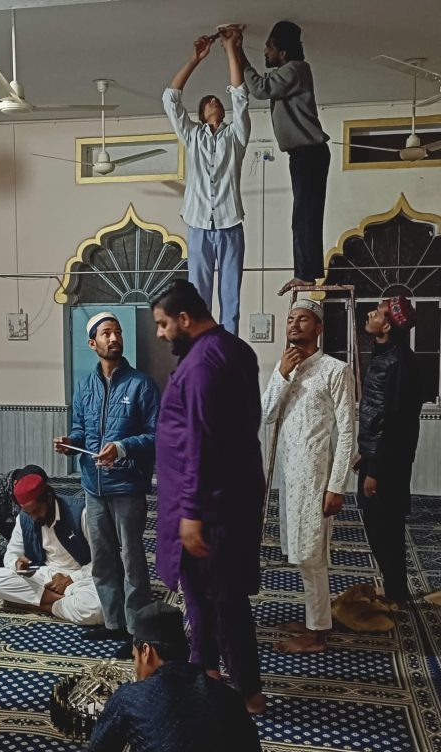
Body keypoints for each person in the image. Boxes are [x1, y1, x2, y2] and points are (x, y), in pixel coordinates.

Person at [151, 280, 266, 714]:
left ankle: (248, 692)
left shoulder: (201, 363)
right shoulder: (235, 350)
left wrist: (192, 512)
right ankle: (209, 675)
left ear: (184, 319)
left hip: (207, 504)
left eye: (164, 324)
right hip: (232, 496)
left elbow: (201, 441)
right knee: (206, 595)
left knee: (220, 598)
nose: (161, 334)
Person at [54, 312, 159, 649]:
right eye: (106, 333)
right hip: (93, 486)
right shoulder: (85, 386)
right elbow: (81, 432)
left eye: (117, 332)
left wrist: (122, 447)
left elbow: (156, 434)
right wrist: (69, 443)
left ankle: (138, 630)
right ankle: (114, 623)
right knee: (102, 558)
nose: (114, 338)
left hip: (127, 485)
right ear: (92, 343)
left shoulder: (141, 385)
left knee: (132, 558)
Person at [262, 299, 355, 653]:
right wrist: (282, 374)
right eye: (290, 319)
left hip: (317, 480)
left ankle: (317, 634)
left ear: (318, 328)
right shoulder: (285, 368)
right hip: (290, 479)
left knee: (313, 553)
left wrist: (337, 486)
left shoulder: (336, 370)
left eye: (303, 319)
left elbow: (346, 432)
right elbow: (266, 415)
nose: (294, 324)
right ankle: (316, 618)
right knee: (301, 551)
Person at [162, 29, 250, 334]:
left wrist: (230, 49)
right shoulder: (193, 136)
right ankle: (199, 346)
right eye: (208, 101)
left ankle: (227, 347)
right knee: (197, 295)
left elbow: (240, 97)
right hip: (198, 223)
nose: (214, 100)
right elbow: (170, 99)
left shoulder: (235, 136)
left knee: (231, 295)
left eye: (217, 99)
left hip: (230, 223)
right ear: (201, 114)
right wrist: (195, 59)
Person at [89, 602, 262, 752]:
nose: (135, 666)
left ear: (147, 652)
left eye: (135, 657)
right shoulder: (228, 696)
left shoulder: (130, 698)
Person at [237, 21, 330, 296]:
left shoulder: (296, 69)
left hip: (309, 153)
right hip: (304, 154)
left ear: (283, 51)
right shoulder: (290, 71)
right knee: (305, 215)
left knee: (304, 216)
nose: (265, 51)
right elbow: (263, 87)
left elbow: (260, 89)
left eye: (269, 46)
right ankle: (307, 272)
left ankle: (305, 273)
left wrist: (239, 52)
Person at [355, 296, 423, 604]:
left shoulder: (398, 362)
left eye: (378, 312)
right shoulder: (386, 356)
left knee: (385, 527)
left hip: (386, 463)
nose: (371, 313)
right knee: (380, 525)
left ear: (387, 326)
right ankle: (394, 588)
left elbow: (394, 423)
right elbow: (377, 413)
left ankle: (396, 592)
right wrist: (364, 451)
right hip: (378, 456)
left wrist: (375, 469)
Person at [0, 464, 103, 626]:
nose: (33, 517)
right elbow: (11, 553)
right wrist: (16, 564)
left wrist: (71, 579)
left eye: (37, 510)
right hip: (44, 576)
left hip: (79, 578)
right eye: (28, 513)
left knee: (96, 609)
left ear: (49, 498)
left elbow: (103, 561)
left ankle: (36, 605)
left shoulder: (81, 514)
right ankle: (60, 602)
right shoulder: (24, 518)